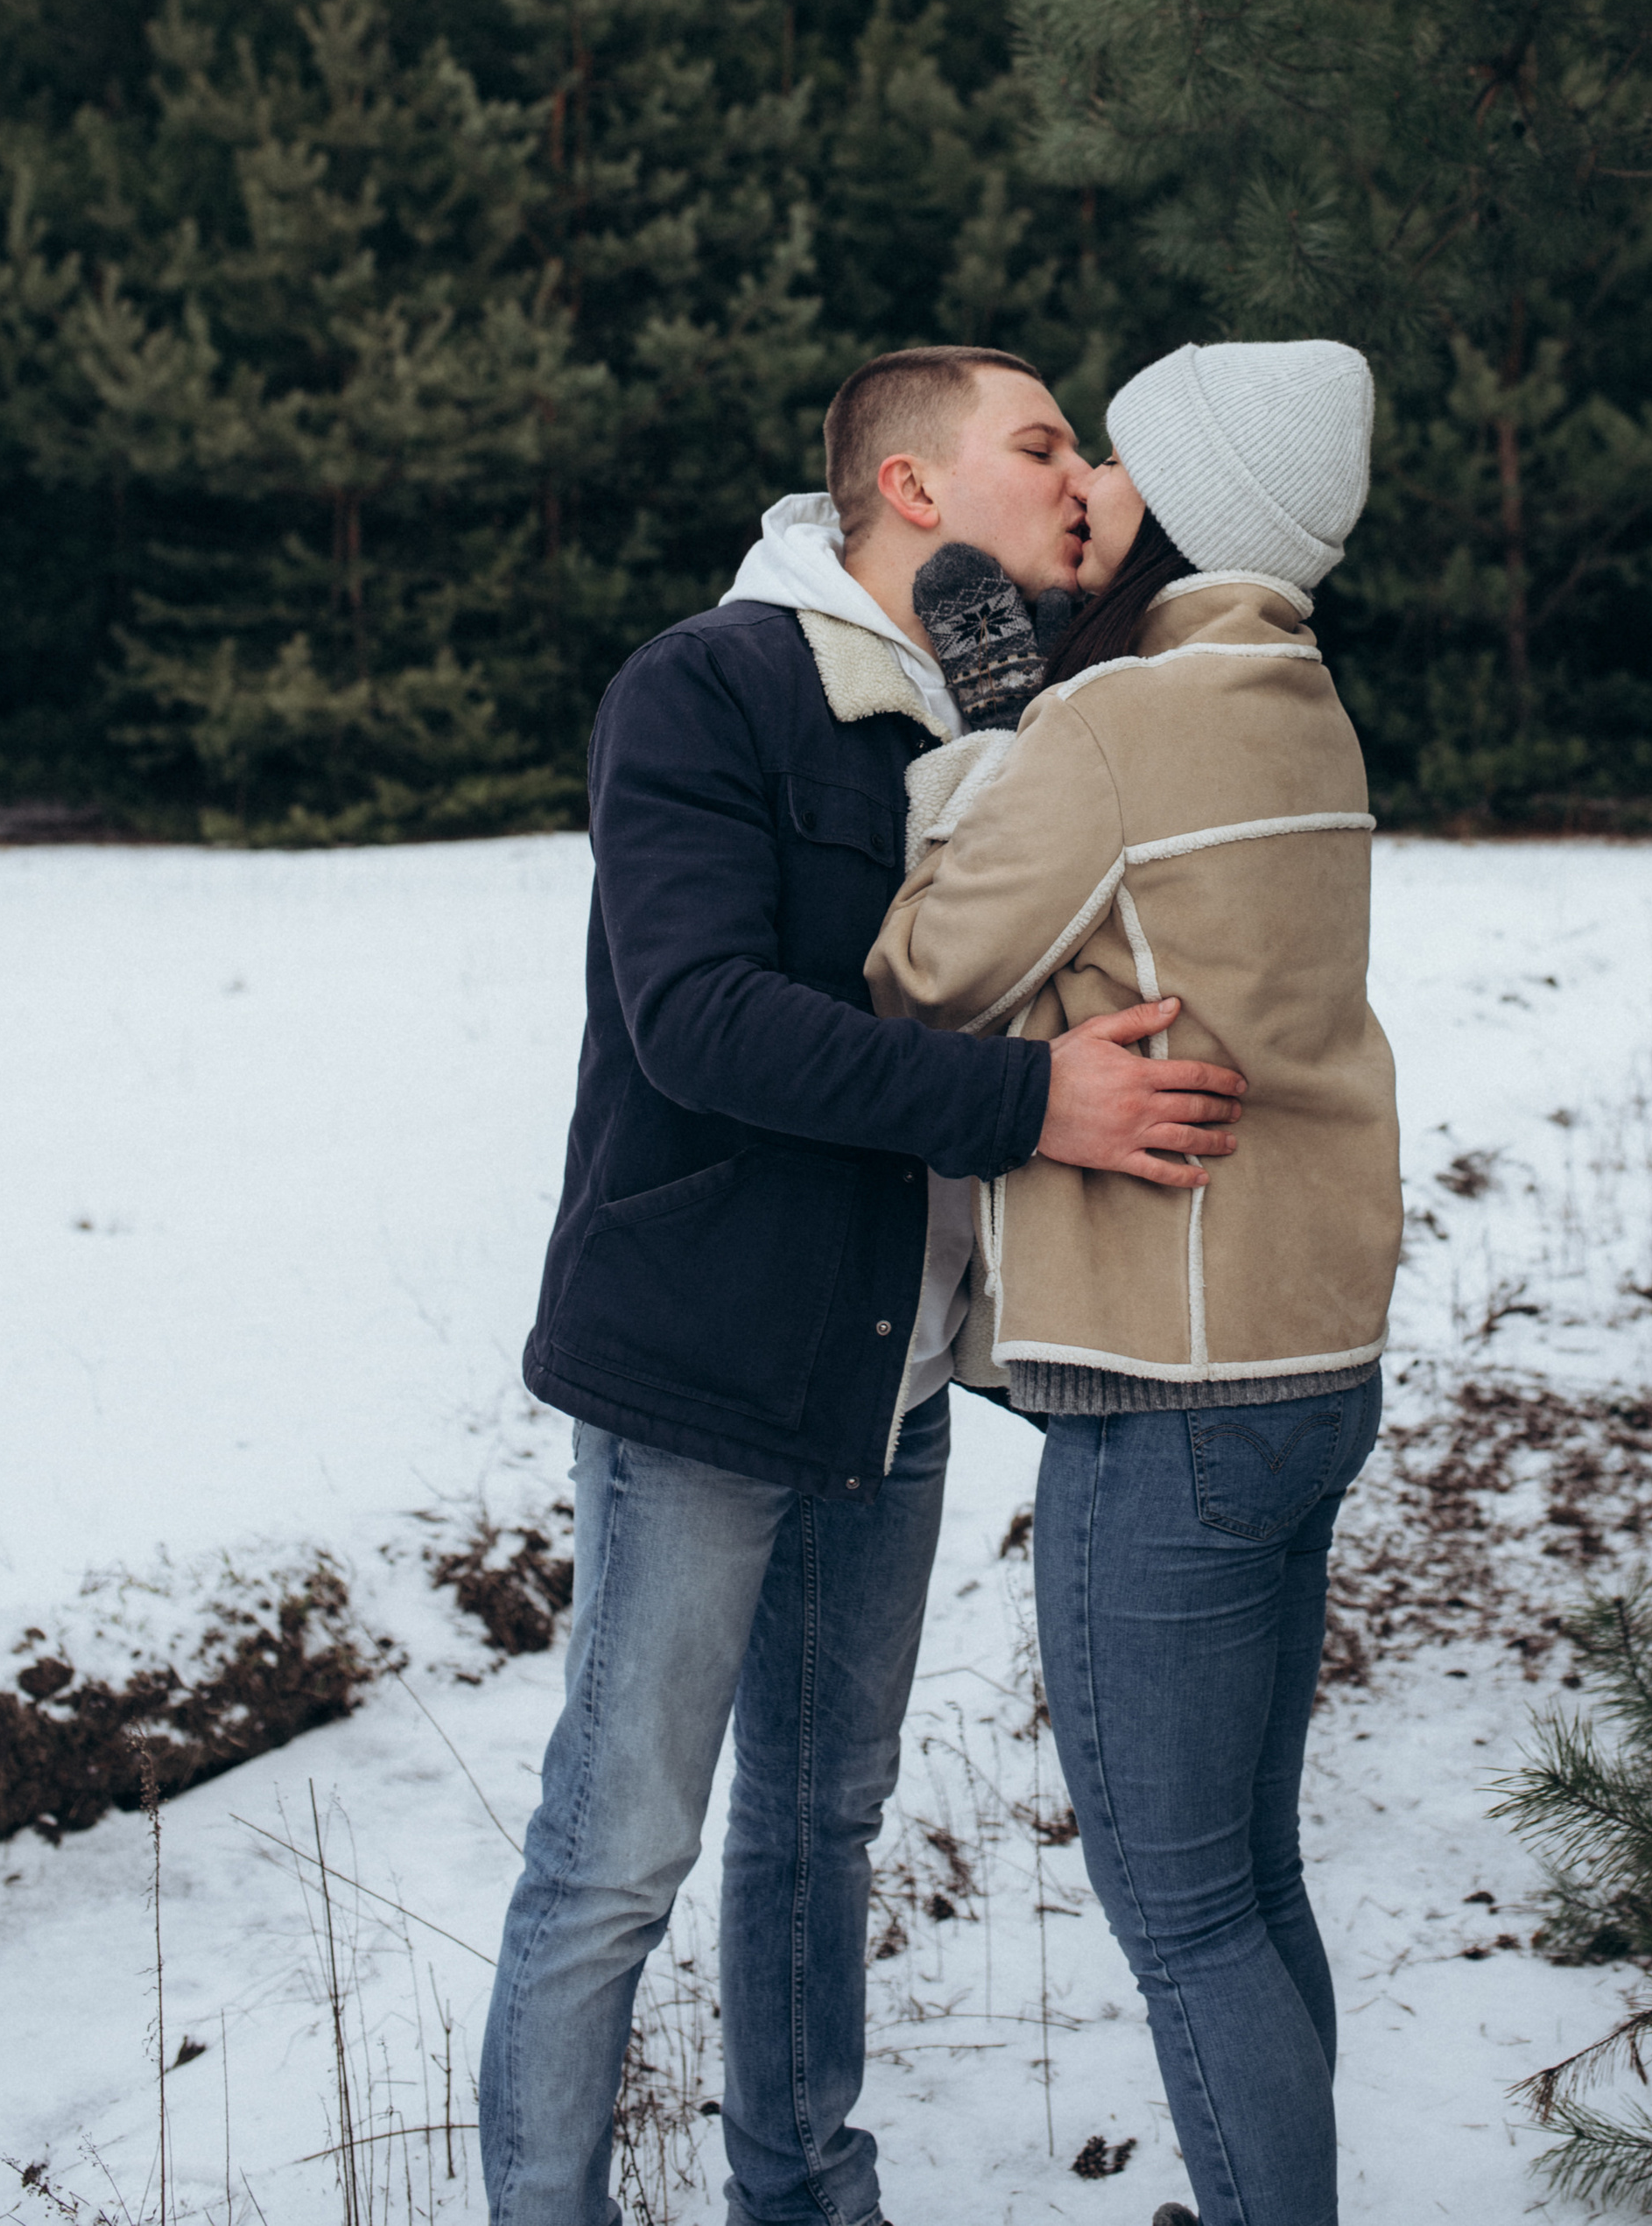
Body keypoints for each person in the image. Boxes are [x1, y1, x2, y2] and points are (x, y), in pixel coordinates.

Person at [479, 343, 1250, 2226]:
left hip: (882, 1377)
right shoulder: (710, 686)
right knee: (617, 1849)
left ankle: (806, 2197)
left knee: (821, 1827)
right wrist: (1028, 1105)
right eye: (1038, 442)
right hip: (706, 1368)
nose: (1074, 473)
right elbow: (701, 1022)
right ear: (910, 489)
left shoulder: (998, 703)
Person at [867, 338, 1401, 2226]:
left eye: (1108, 460)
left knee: (1177, 1920)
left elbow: (923, 974)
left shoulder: (1112, 732)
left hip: (1168, 1397)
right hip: (1307, 1370)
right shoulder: (1302, 704)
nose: (1076, 480)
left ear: (1178, 502)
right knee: (1250, 1884)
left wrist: (993, 739)